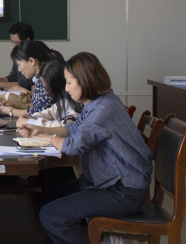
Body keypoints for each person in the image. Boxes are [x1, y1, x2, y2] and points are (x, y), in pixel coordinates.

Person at [18, 52, 153, 244]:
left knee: (52, 215)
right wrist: (39, 129)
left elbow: (72, 146)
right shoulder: (98, 103)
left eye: (69, 82)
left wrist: (48, 138)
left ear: (85, 81)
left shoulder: (103, 109)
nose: (66, 88)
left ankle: (99, 241)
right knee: (46, 201)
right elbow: (73, 128)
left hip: (123, 192)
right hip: (107, 182)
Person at [0, 40, 63, 116]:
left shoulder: (46, 77)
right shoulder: (39, 77)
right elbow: (35, 106)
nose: (19, 69)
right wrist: (15, 105)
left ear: (31, 61)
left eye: (19, 64)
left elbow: (40, 112)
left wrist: (12, 111)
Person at [13, 59, 83, 128]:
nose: (46, 92)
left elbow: (65, 127)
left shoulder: (76, 103)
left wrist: (31, 122)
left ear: (57, 85)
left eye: (47, 88)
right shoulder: (62, 101)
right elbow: (51, 112)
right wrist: (33, 117)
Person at [0, 22, 35, 92]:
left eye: (17, 43)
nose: (14, 45)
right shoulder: (18, 54)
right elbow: (12, 77)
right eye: (12, 42)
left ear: (27, 41)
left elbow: (25, 84)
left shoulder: (34, 57)